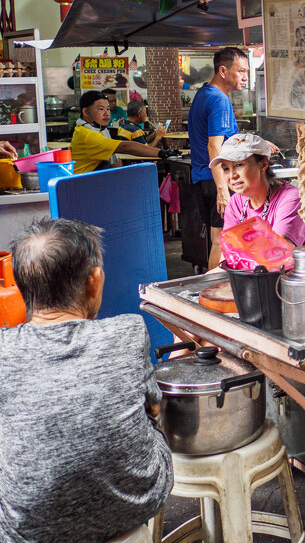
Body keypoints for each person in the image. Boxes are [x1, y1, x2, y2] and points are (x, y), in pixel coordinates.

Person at [0, 219, 173, 543]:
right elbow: (153, 404)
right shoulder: (129, 331)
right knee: (150, 415)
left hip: (29, 530)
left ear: (24, 291)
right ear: (94, 282)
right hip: (135, 504)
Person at [188, 47, 249, 270]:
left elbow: (222, 140)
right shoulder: (219, 100)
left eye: (246, 72)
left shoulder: (203, 93)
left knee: (217, 240)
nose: (245, 77)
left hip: (203, 179)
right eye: (240, 71)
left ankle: (214, 291)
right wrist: (223, 189)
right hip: (218, 181)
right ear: (223, 71)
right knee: (222, 242)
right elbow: (214, 146)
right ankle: (214, 295)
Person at [212, 133, 305, 247]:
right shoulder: (235, 203)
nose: (232, 175)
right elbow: (228, 253)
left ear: (263, 164)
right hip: (249, 265)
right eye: (225, 169)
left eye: (239, 165)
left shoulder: (291, 198)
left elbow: (278, 251)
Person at [71, 90, 175, 174]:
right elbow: (125, 147)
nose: (107, 114)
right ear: (85, 112)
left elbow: (115, 161)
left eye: (108, 109)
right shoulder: (87, 135)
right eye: (101, 109)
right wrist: (160, 152)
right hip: (82, 185)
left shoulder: (97, 129)